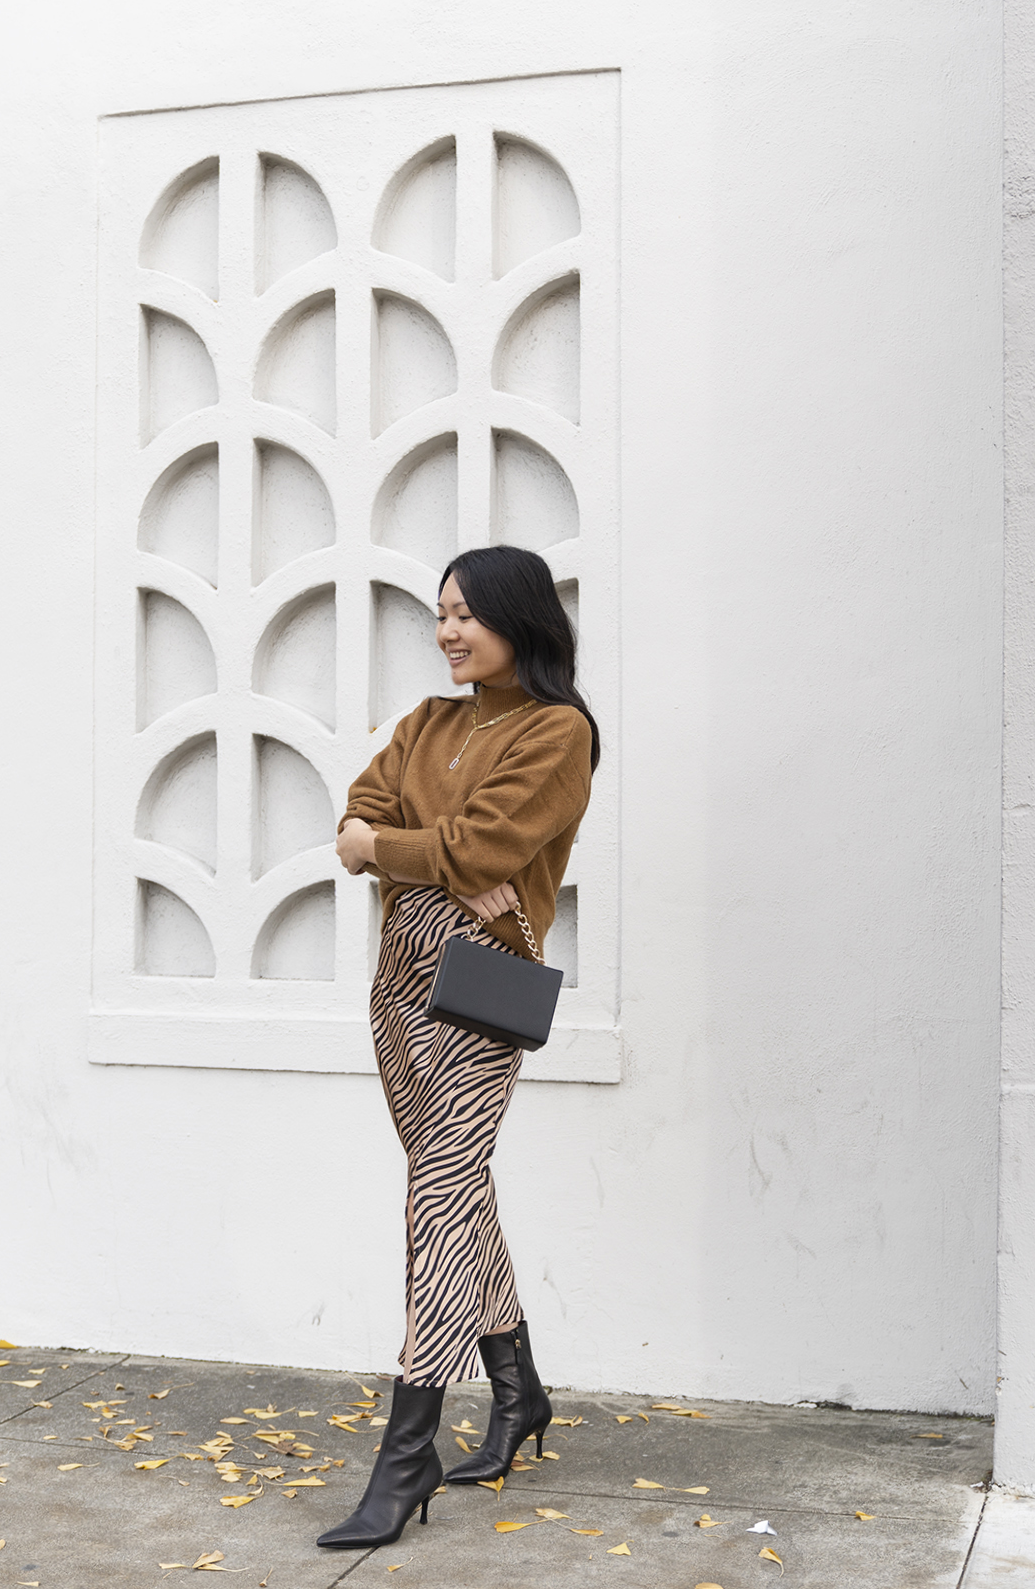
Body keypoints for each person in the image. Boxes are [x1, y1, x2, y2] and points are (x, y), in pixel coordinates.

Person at [316, 544, 600, 1551]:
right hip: (399, 967)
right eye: (439, 613)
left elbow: (474, 851)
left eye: (466, 614)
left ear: (518, 619)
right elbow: (360, 808)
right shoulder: (430, 722)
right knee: (457, 1187)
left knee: (438, 1189)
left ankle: (408, 1453)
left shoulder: (557, 732)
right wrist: (412, 851)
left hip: (481, 972)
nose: (447, 631)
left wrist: (395, 852)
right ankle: (518, 1392)